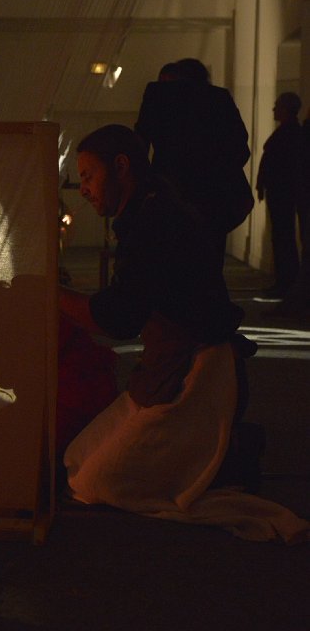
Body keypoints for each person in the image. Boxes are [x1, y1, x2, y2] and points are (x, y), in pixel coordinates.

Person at [58, 124, 310, 544]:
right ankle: (220, 455)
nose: (82, 189)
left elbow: (119, 318)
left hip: (197, 376)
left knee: (95, 483)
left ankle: (227, 456)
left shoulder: (155, 220)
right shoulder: (153, 209)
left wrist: (53, 294)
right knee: (76, 460)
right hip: (168, 369)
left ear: (121, 166)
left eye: (88, 176)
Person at [135, 58, 254, 270]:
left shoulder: (158, 95)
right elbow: (239, 147)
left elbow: (140, 143)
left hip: (169, 190)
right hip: (213, 197)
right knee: (210, 260)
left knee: (170, 260)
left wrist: (143, 184)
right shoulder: (218, 98)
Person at [255, 92, 306, 299]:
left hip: (283, 193)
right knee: (282, 236)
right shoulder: (290, 132)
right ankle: (284, 280)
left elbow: (279, 163)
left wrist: (263, 183)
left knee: (283, 237)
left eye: (277, 106)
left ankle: (286, 281)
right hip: (281, 192)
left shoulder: (290, 133)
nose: (274, 109)